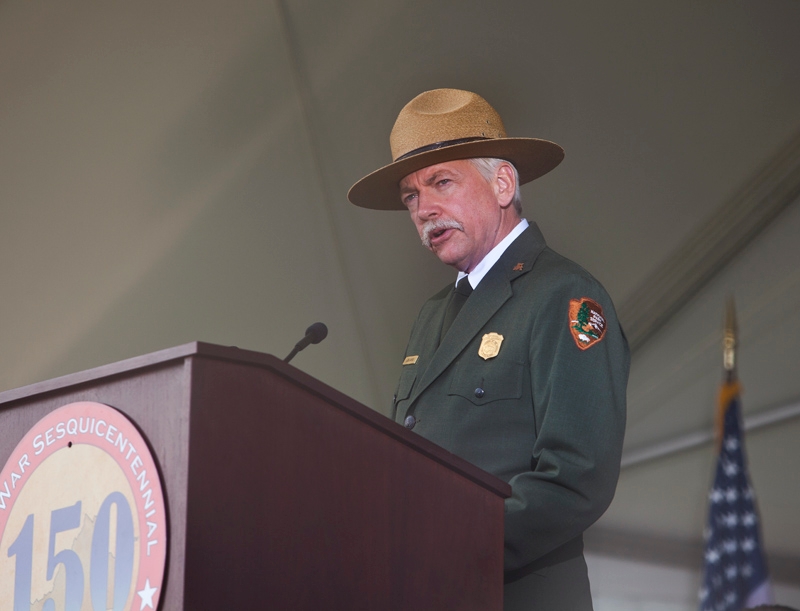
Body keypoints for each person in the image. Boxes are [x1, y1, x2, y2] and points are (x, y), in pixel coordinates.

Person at [348, 88, 629, 610]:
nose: (423, 210)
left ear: (502, 183)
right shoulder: (433, 314)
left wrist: (446, 546)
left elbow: (577, 475)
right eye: (410, 196)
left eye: (441, 182)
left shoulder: (564, 295)